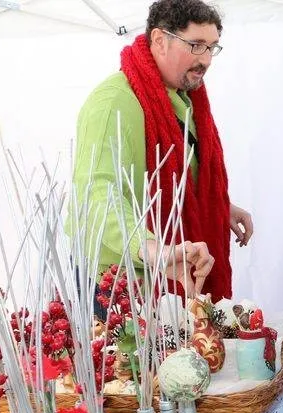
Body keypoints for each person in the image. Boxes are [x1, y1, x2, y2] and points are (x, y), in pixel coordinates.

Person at [71, 0, 252, 300]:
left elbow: (177, 173)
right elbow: (95, 195)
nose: (206, 59)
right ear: (159, 40)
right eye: (196, 45)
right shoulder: (113, 101)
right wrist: (154, 248)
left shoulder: (184, 98)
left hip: (167, 279)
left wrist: (219, 207)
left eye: (212, 47)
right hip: (117, 286)